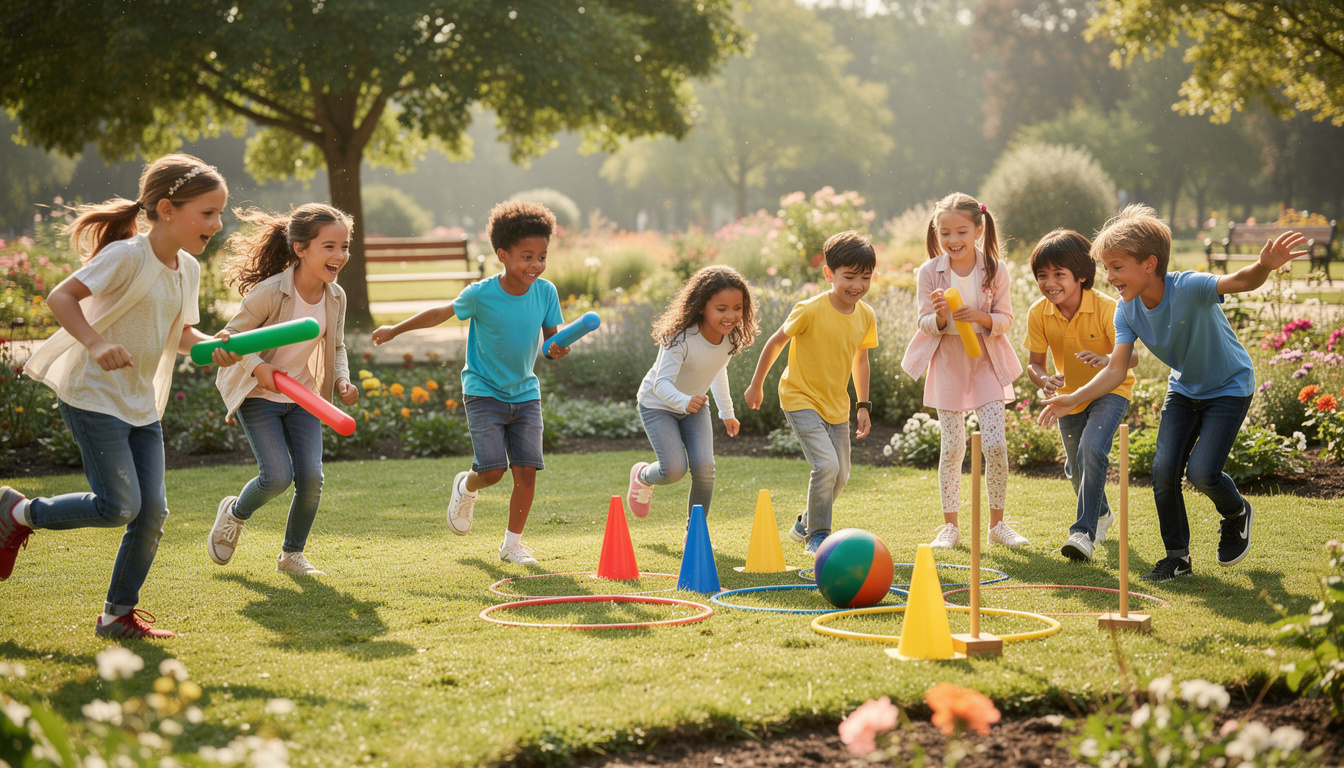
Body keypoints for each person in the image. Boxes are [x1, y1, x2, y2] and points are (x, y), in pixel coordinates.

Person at [0, 154, 231, 639]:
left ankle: (116, 616)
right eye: (208, 212)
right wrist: (97, 343)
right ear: (167, 209)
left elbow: (182, 333)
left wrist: (215, 349)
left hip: (138, 403)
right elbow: (61, 297)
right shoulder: (126, 255)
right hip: (92, 395)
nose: (218, 222)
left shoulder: (186, 268)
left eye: (219, 212)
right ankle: (17, 512)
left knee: (151, 514)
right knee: (119, 506)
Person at [1039, 204, 1306, 581]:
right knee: (1163, 472)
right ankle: (1177, 557)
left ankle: (1236, 512)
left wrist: (1265, 265)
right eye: (1107, 267)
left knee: (1201, 473)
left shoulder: (1190, 287)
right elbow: (1116, 369)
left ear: (1149, 264)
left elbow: (1240, 281)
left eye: (1117, 267)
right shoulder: (1126, 310)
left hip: (1229, 386)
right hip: (1184, 389)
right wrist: (1074, 396)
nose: (1110, 276)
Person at [371, 201, 573, 565]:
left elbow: (550, 341)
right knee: (492, 471)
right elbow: (439, 313)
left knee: (526, 471)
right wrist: (394, 329)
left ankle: (512, 545)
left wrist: (557, 349)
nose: (536, 265)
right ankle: (466, 486)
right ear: (502, 255)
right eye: (527, 256)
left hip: (525, 392)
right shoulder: (481, 293)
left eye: (542, 256)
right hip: (483, 391)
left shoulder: (546, 292)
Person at [207, 204, 360, 576]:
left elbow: (336, 346)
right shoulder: (271, 292)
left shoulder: (335, 296)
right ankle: (234, 513)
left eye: (344, 246)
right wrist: (258, 367)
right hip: (260, 395)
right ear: (300, 248)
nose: (340, 255)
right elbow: (231, 339)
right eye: (329, 246)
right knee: (276, 476)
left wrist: (342, 379)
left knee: (311, 479)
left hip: (303, 396)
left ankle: (292, 556)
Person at [900, 193, 1026, 550]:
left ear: (978, 229)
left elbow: (1006, 319)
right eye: (945, 233)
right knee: (953, 447)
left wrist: (981, 317)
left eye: (960, 231)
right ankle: (950, 527)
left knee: (996, 444)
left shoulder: (996, 269)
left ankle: (998, 525)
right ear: (936, 234)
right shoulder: (929, 272)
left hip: (985, 360)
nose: (953, 240)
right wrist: (941, 317)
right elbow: (924, 323)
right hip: (949, 362)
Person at [744, 231, 878, 556]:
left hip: (837, 404)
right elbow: (776, 341)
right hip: (800, 397)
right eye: (849, 277)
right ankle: (817, 536)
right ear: (829, 274)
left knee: (842, 474)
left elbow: (861, 360)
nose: (857, 286)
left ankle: (805, 521)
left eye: (865, 277)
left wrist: (863, 405)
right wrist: (756, 383)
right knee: (826, 467)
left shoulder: (865, 315)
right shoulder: (810, 309)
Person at [1024, 229, 1137, 562]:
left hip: (1111, 390)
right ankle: (1101, 514)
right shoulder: (1038, 313)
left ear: (1082, 276)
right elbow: (1033, 364)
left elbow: (1132, 358)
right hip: (1068, 397)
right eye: (1042, 275)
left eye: (1059, 274)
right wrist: (1043, 380)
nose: (1049, 282)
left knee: (1091, 449)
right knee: (1075, 466)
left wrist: (1106, 361)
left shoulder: (1107, 307)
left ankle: (1082, 533)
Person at [627, 266, 759, 521]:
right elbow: (661, 384)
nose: (731, 316)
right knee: (674, 470)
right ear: (701, 306)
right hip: (658, 406)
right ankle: (643, 476)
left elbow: (717, 371)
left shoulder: (729, 338)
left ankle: (695, 532)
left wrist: (727, 413)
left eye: (737, 308)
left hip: (694, 406)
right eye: (721, 309)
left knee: (704, 468)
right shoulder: (680, 338)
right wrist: (685, 401)